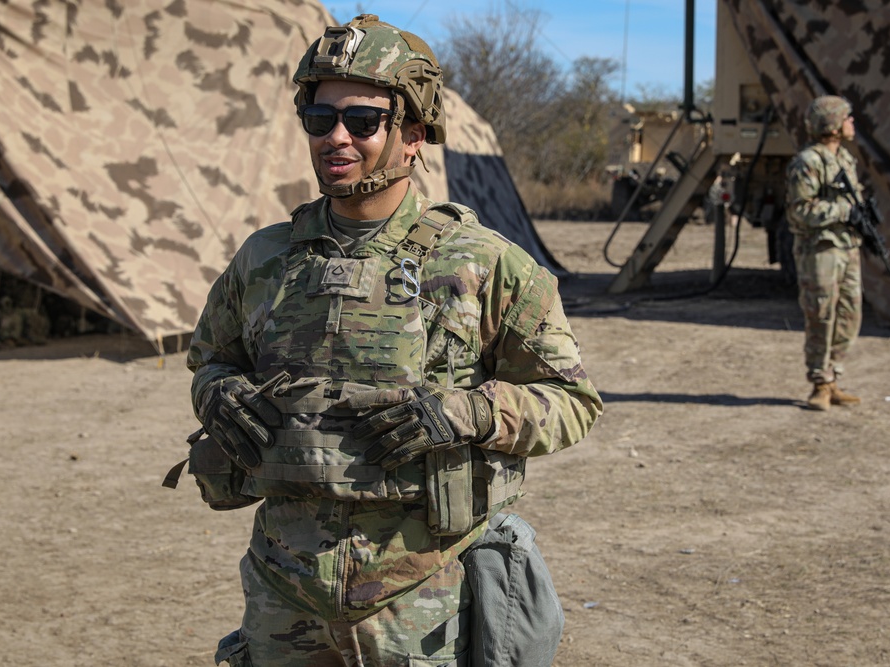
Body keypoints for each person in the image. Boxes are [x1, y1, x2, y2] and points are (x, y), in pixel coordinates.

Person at [184, 14, 603, 667]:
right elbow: (209, 359)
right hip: (283, 592)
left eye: (362, 120)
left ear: (413, 134)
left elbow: (572, 400)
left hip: (422, 601)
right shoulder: (263, 260)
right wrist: (219, 393)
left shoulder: (485, 265)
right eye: (320, 121)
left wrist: (468, 411)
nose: (337, 138)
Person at [785, 95, 864, 411]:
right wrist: (844, 210)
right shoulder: (808, 162)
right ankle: (819, 382)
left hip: (846, 248)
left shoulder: (844, 159)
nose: (852, 123)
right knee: (821, 314)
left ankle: (834, 377)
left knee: (849, 314)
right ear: (832, 124)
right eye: (847, 117)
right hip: (821, 250)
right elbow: (800, 210)